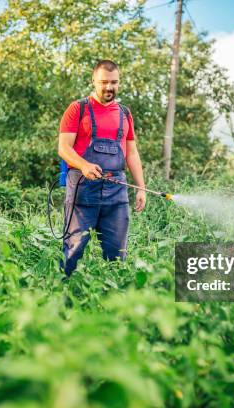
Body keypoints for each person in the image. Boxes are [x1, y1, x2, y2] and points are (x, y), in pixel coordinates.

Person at [58, 59, 146, 276]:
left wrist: (141, 187)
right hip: (82, 190)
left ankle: (113, 299)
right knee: (73, 249)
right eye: (104, 82)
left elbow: (132, 153)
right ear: (93, 81)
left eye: (114, 82)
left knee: (117, 254)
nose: (109, 87)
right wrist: (84, 165)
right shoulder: (77, 109)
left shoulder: (125, 113)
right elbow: (63, 148)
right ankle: (62, 291)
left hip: (116, 193)